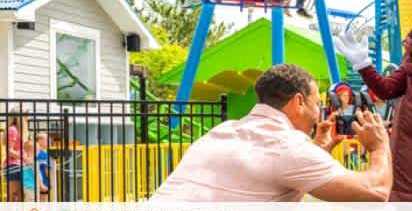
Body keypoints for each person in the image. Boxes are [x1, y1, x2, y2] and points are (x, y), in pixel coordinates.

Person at [151, 64, 393, 202]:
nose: (318, 112)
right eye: (316, 103)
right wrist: (380, 146)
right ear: (299, 102)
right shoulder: (288, 147)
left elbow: (279, 174)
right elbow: (376, 191)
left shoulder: (223, 131)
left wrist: (317, 149)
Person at [4, 109, 27, 202]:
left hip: (19, 165)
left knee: (20, 195)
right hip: (13, 165)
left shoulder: (18, 130)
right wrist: (24, 158)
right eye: (25, 116)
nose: (27, 118)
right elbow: (9, 150)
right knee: (14, 194)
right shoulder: (13, 130)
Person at [34, 133, 49, 202]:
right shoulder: (44, 154)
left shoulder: (33, 153)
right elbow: (47, 171)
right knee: (44, 200)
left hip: (34, 182)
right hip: (44, 182)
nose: (48, 142)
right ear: (40, 141)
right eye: (46, 140)